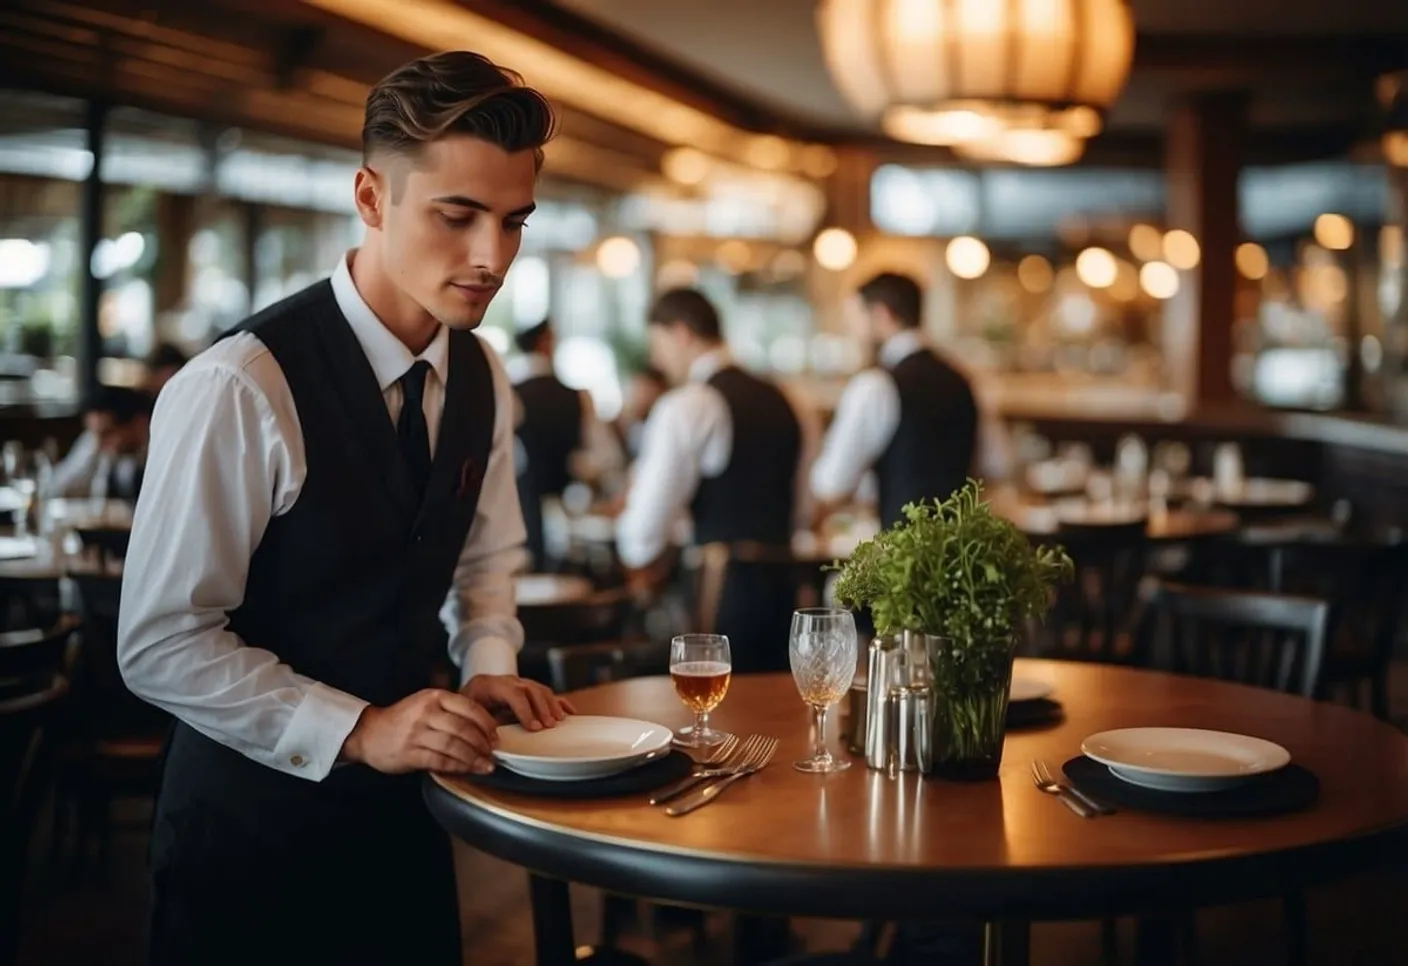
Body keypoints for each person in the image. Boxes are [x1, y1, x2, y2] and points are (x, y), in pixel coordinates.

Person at [117, 51, 571, 966]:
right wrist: (361, 729)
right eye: (457, 215)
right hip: (246, 843)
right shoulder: (241, 384)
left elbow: (484, 564)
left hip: (406, 826)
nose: (493, 257)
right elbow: (160, 642)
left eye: (514, 221)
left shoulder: (482, 373)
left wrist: (486, 662)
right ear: (371, 197)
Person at [615, 287, 819, 673]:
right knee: (778, 702)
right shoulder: (790, 400)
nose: (657, 359)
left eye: (658, 344)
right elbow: (804, 508)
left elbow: (641, 535)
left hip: (720, 591)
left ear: (680, 333)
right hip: (788, 589)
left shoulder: (690, 404)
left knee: (715, 707)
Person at [810, 272, 981, 526]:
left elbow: (832, 484)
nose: (854, 333)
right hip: (963, 544)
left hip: (899, 546)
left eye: (857, 319)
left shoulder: (875, 386)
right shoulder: (964, 381)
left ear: (882, 315)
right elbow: (996, 465)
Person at [508, 317, 622, 568]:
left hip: (521, 513)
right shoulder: (577, 396)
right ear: (544, 343)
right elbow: (605, 456)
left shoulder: (509, 393)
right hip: (570, 510)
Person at [44, 385, 153, 501]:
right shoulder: (102, 450)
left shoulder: (156, 457)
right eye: (94, 435)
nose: (98, 445)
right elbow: (54, 486)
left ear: (139, 424)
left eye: (107, 433)